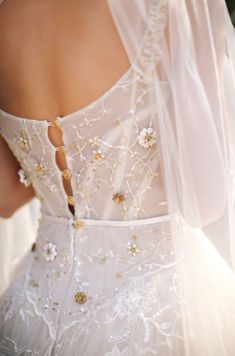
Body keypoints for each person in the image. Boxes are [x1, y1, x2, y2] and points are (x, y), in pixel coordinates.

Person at [1, 0, 235, 355]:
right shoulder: (161, 6)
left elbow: (6, 198)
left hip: (32, 312)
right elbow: (205, 201)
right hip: (154, 315)